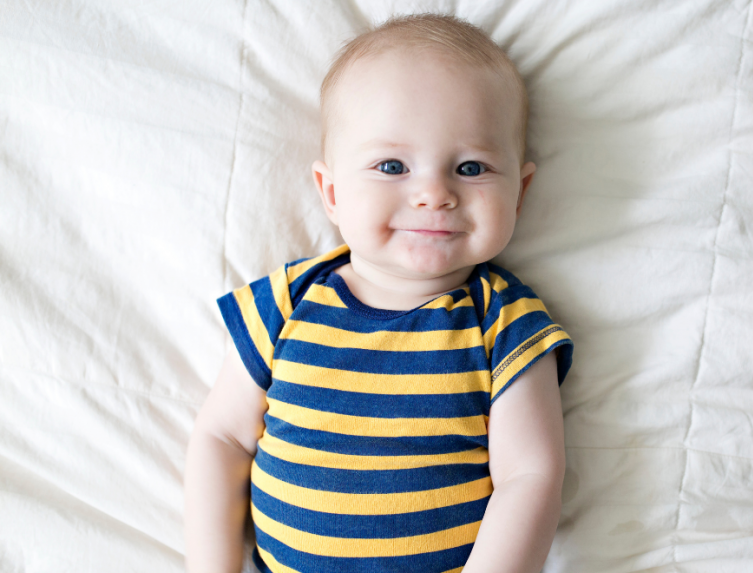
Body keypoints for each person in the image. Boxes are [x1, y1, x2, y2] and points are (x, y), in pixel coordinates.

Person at [184, 13, 573, 573]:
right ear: (333, 192)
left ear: (520, 193)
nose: (434, 194)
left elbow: (531, 476)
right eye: (392, 165)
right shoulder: (287, 303)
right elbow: (221, 437)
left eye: (471, 167)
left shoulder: (506, 326)